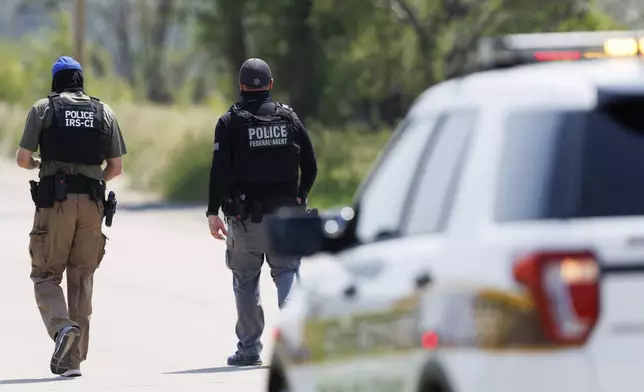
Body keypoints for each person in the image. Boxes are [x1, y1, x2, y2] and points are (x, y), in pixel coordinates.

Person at [15, 56, 127, 377]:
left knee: (46, 274)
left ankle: (62, 328)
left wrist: (41, 165)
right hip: (93, 203)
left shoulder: (43, 109)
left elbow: (23, 159)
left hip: (56, 203)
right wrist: (92, 182)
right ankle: (72, 361)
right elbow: (116, 168)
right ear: (80, 79)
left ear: (56, 81)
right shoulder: (103, 111)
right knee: (81, 278)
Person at [207, 58, 318, 366]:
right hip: (285, 218)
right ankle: (298, 345)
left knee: (245, 280)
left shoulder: (229, 123)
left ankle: (248, 349)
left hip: (245, 221)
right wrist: (300, 197)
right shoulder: (289, 118)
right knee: (287, 274)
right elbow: (310, 165)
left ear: (241, 86)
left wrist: (212, 211)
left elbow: (219, 171)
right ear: (270, 84)